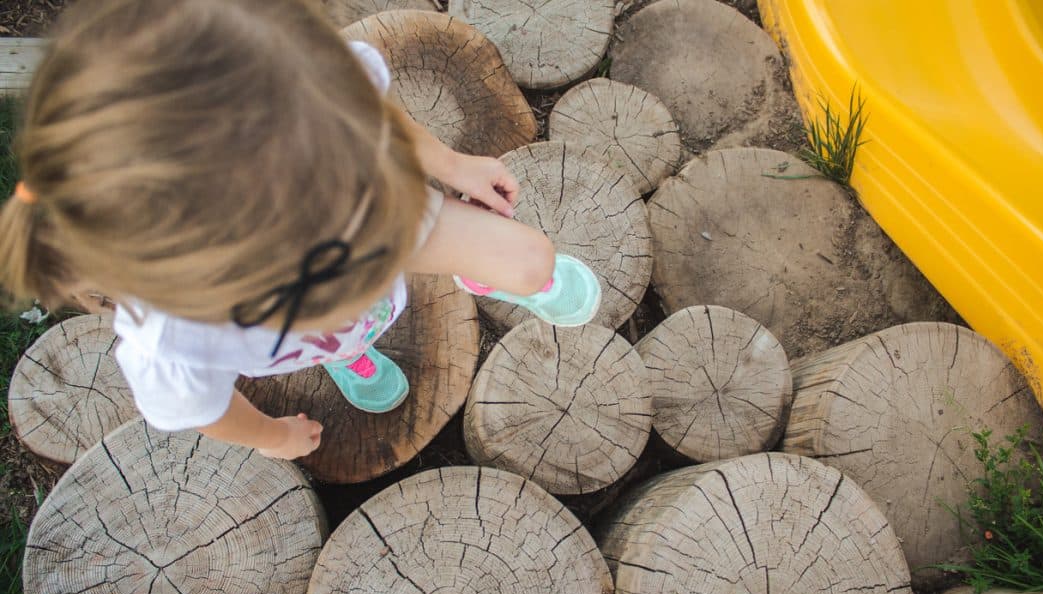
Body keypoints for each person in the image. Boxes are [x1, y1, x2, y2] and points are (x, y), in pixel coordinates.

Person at [0, 0, 600, 460]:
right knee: (347, 337)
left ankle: (466, 272)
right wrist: (271, 435)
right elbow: (209, 409)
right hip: (334, 320)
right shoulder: (174, 345)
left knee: (532, 260)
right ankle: (351, 352)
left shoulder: (301, 100)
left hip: (390, 215)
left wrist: (451, 166)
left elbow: (372, 116)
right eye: (318, 274)